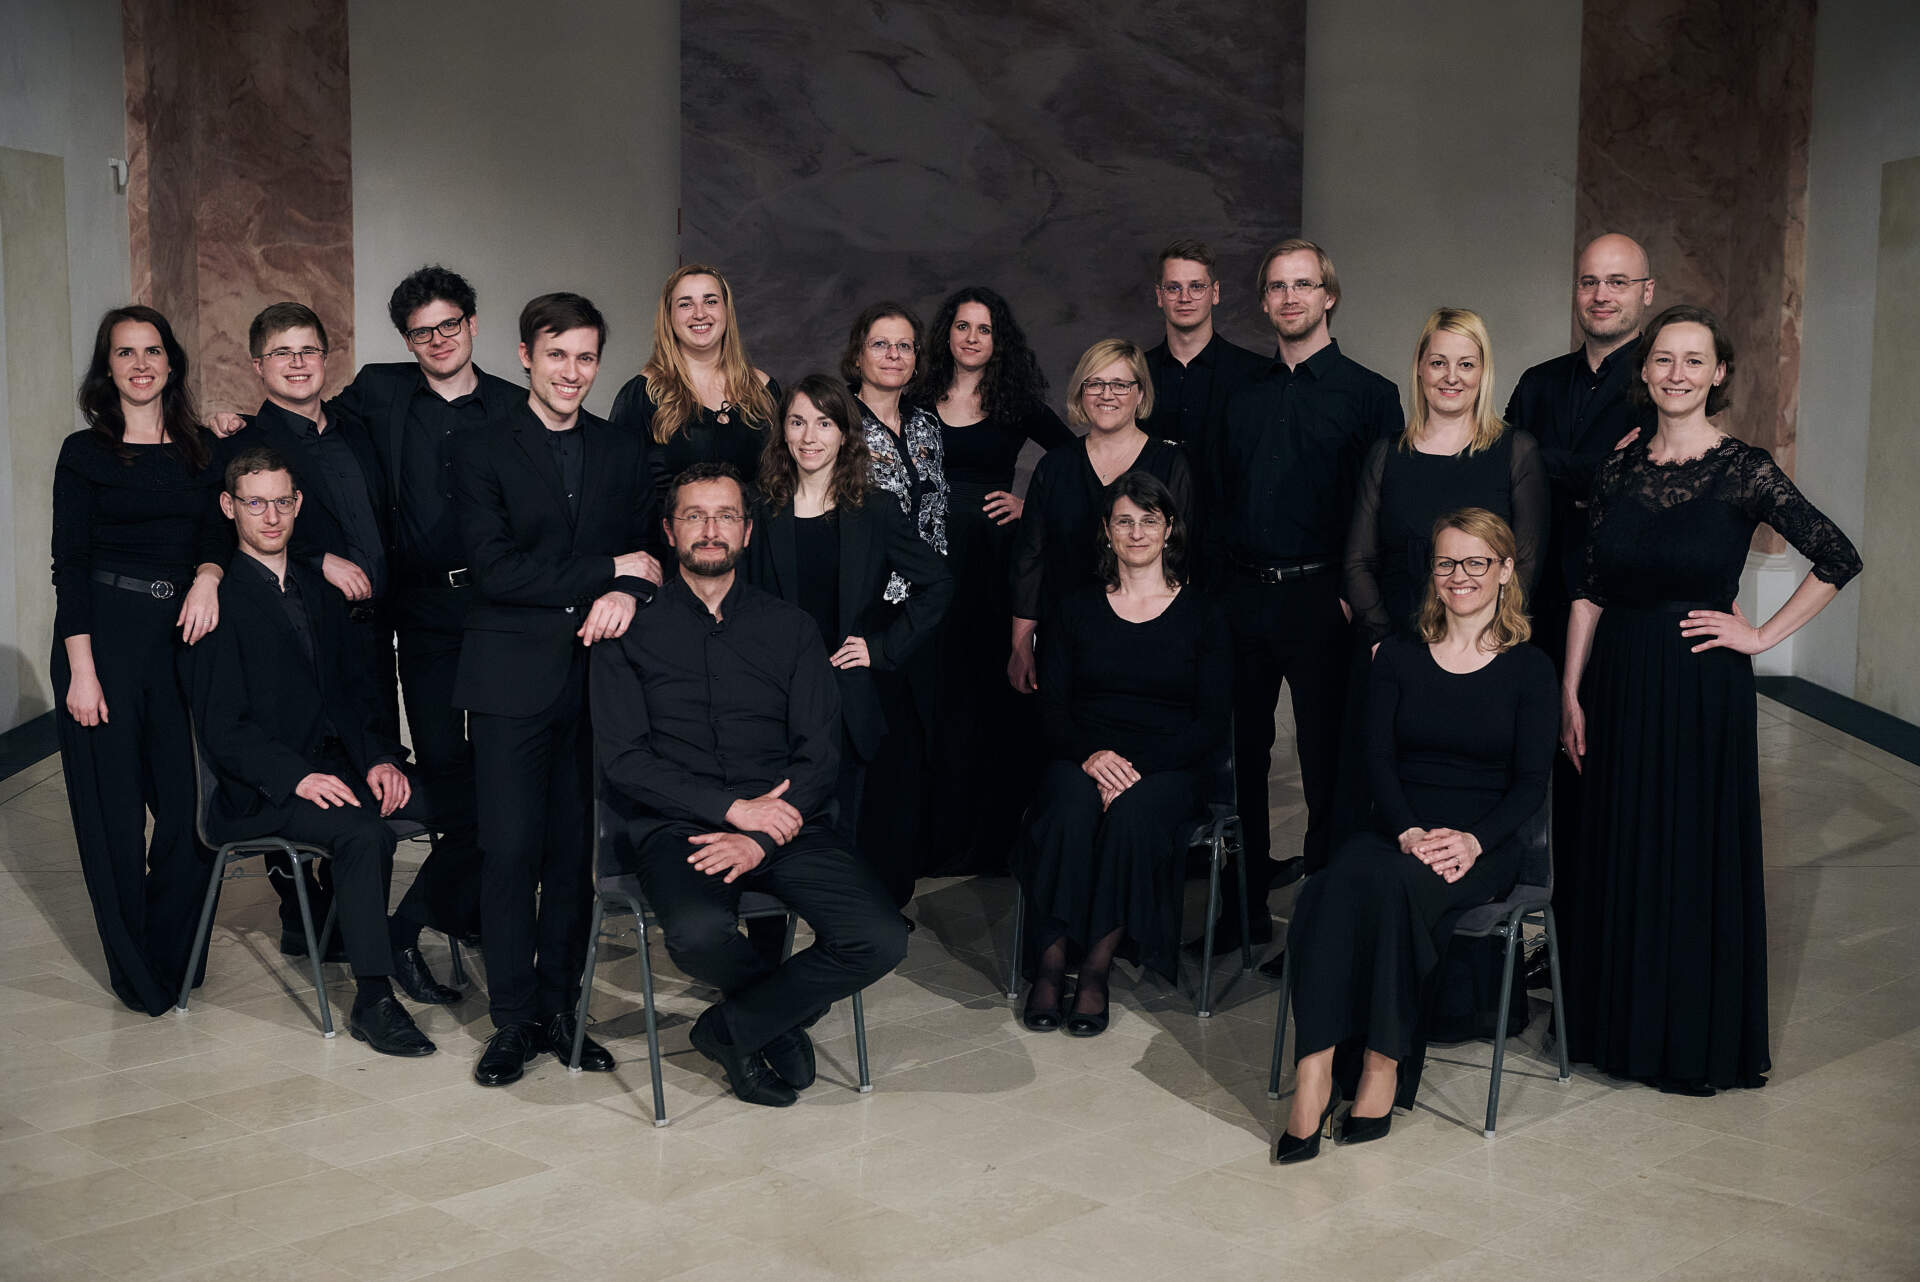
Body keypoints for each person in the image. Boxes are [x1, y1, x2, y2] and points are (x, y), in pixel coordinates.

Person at [1560, 305, 1861, 1095]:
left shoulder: (1744, 468)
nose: (1678, 373)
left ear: (1719, 373)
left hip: (1700, 685)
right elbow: (1588, 588)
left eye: (1695, 360)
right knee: (1619, 848)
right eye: (1664, 359)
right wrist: (1570, 690)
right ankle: (1613, 1030)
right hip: (1617, 678)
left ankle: (1684, 1039)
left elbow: (1837, 555)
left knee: (1688, 855)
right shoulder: (1617, 468)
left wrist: (1761, 635)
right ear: (1645, 370)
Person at [594, 462, 910, 1108]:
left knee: (881, 937)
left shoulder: (791, 628)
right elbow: (625, 761)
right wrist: (732, 810)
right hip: (680, 827)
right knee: (697, 934)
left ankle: (730, 1030)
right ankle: (775, 1019)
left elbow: (819, 755)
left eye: (725, 516)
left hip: (785, 823)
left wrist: (760, 835)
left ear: (746, 529)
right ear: (669, 530)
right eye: (694, 516)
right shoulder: (628, 631)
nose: (710, 530)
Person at [1278, 509, 1555, 1162]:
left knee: (1386, 888)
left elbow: (1529, 785)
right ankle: (1317, 1069)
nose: (1460, 576)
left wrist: (1472, 842)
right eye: (1446, 562)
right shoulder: (1398, 654)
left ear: (1505, 570)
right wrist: (1405, 828)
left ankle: (1380, 1064)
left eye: (1476, 562)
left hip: (1482, 844)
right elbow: (1377, 759)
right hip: (1398, 831)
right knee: (1330, 886)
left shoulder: (1530, 669)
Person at [453, 292, 664, 1087]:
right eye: (556, 355)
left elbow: (648, 557)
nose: (571, 372)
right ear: (525, 357)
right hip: (508, 681)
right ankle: (512, 1020)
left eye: (585, 357)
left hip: (597, 682)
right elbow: (495, 570)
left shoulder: (621, 449)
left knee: (575, 857)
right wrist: (606, 570)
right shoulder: (480, 447)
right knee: (509, 852)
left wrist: (629, 591)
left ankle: (561, 1010)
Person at [187, 448, 444, 1057]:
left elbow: (357, 694)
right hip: (267, 786)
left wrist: (380, 757)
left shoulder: (319, 589)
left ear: (298, 504)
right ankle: (373, 998)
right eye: (255, 503)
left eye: (282, 501)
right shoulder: (218, 599)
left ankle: (399, 932)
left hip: (345, 765)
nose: (271, 516)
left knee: (475, 806)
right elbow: (223, 728)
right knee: (363, 834)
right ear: (229, 506)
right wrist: (297, 777)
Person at [320, 266, 524, 999]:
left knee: (501, 783)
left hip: (500, 617)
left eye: (449, 325)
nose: (438, 340)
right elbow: (301, 428)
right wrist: (231, 430)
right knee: (445, 775)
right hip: (422, 615)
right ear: (406, 341)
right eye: (421, 332)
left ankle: (417, 923)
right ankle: (445, 915)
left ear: (472, 324)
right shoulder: (379, 392)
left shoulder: (515, 407)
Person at [1200, 238, 1403, 963]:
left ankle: (1320, 918)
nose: (1290, 298)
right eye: (1278, 287)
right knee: (1239, 761)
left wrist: (1358, 597)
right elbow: (1214, 499)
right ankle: (1246, 907)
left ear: (1329, 296)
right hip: (1243, 597)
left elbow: (1383, 509)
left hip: (1325, 600)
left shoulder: (1371, 395)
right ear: (1263, 302)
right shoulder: (1240, 396)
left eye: (1304, 285)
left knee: (1327, 767)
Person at [51, 305, 225, 1016]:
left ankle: (173, 951)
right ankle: (135, 972)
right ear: (108, 368)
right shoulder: (84, 453)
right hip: (104, 640)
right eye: (125, 353)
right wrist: (82, 671)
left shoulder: (201, 451)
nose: (141, 364)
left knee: (190, 812)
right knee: (115, 821)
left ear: (171, 362)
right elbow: (69, 565)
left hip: (181, 639)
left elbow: (218, 531)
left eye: (152, 350)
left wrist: (209, 575)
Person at [1017, 473, 1228, 1035]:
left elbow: (1211, 723)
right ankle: (1050, 963)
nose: (1137, 532)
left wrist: (1134, 772)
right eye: (1124, 521)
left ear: (1169, 529)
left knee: (1133, 816)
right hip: (1084, 753)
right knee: (1067, 806)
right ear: (1107, 532)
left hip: (1167, 765)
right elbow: (1052, 708)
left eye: (1149, 520)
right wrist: (1092, 757)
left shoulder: (1204, 614)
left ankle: (1094, 970)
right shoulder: (1074, 608)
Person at [218, 302, 395, 959]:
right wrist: (319, 559)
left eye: (308, 351)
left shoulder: (356, 429)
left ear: (326, 358)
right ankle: (304, 908)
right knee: (300, 750)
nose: (297, 363)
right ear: (258, 365)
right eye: (282, 353)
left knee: (370, 762)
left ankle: (352, 919)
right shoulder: (243, 442)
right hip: (305, 624)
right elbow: (234, 530)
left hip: (374, 628)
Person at [1504, 235, 1656, 986]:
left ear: (1646, 293)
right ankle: (1536, 934)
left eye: (1618, 282)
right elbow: (1501, 466)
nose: (1601, 295)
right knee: (1529, 773)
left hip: (1614, 611)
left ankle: (1596, 949)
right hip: (1528, 605)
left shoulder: (1659, 383)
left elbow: (1637, 487)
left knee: (1599, 774)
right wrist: (1591, 471)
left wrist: (1544, 464)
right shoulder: (1538, 381)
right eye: (1590, 281)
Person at [745, 376, 954, 907]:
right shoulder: (759, 509)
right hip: (772, 699)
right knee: (773, 833)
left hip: (846, 698)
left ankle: (844, 937)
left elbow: (937, 583)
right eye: (797, 422)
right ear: (782, 431)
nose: (809, 436)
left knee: (841, 836)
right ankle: (771, 943)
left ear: (844, 434)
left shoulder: (874, 509)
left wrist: (881, 649)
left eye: (824, 423)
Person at [912, 286, 1074, 872]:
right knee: (934, 691)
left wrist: (1030, 507)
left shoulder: (1015, 402)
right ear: (947, 334)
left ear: (998, 339)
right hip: (927, 560)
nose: (972, 337)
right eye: (963, 326)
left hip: (992, 563)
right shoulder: (917, 397)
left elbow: (1074, 461)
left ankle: (990, 840)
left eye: (984, 328)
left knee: (988, 693)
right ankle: (932, 838)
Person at [1346, 308, 1547, 650]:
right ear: (1420, 368)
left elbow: (1527, 563)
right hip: (1395, 646)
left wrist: (1489, 640)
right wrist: (1382, 641)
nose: (1451, 377)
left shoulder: (1517, 451)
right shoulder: (1385, 454)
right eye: (1438, 363)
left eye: (1466, 364)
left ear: (1483, 372)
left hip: (1485, 649)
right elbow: (1358, 562)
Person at [840, 304, 951, 905]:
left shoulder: (928, 424)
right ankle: (860, 895)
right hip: (867, 614)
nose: (893, 355)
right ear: (858, 352)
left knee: (913, 754)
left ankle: (892, 891)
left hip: (925, 611)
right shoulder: (838, 422)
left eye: (904, 345)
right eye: (880, 344)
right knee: (875, 754)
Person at [1009, 338, 1192, 690]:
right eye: (1095, 383)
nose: (1106, 394)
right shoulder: (1054, 466)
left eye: (1120, 384)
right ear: (1081, 393)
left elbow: (1181, 559)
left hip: (1145, 636)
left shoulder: (1170, 464)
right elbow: (1030, 560)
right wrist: (1020, 645)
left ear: (1140, 394)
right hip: (1063, 637)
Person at [608, 263, 779, 542]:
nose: (700, 313)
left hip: (757, 550)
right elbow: (618, 494)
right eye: (685, 304)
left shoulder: (764, 390)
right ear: (669, 316)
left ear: (726, 310)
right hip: (669, 553)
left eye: (710, 301)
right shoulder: (642, 394)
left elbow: (784, 482)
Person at [1140, 238, 1268, 458]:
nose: (1185, 298)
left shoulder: (1256, 373)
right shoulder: (1136, 372)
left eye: (1197, 286)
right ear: (1159, 296)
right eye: (1173, 288)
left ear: (1215, 293)